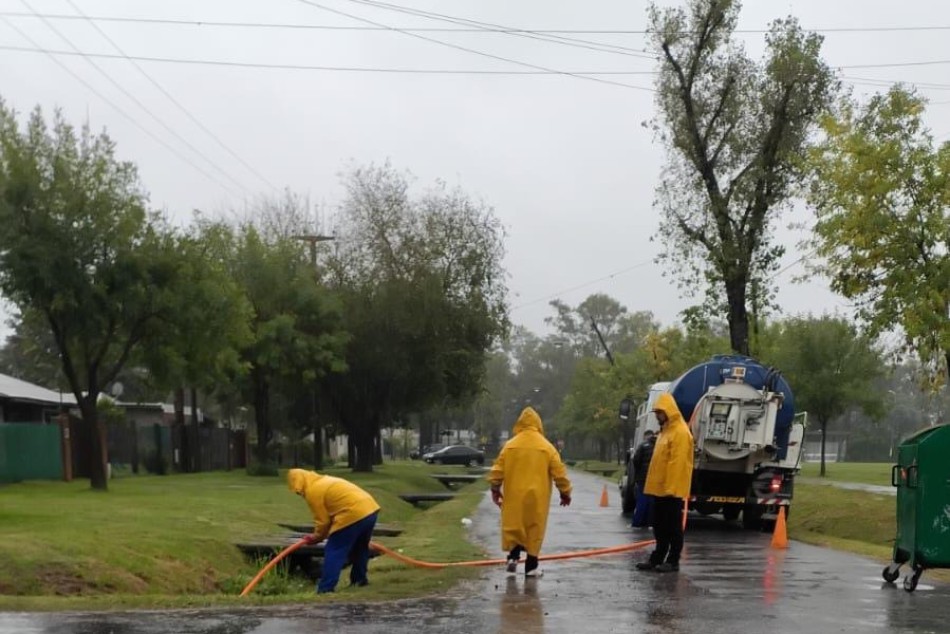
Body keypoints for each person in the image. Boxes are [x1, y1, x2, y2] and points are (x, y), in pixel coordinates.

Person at [489, 406, 572, 578]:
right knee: (534, 529)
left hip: (514, 496)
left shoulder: (510, 446)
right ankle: (531, 567)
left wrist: (495, 488)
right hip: (538, 498)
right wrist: (565, 493)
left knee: (514, 526)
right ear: (538, 424)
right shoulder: (547, 447)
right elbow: (560, 473)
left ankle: (512, 557)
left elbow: (497, 469)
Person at [287, 468, 381, 593]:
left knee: (334, 550)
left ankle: (326, 588)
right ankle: (359, 580)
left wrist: (316, 537)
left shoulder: (313, 491)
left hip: (352, 513)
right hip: (370, 509)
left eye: (298, 491)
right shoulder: (324, 480)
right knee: (360, 547)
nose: (300, 495)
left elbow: (323, 521)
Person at [636, 393, 694, 573]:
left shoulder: (680, 433)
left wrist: (671, 488)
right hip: (660, 489)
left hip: (671, 491)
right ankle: (657, 558)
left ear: (668, 411)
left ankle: (673, 560)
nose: (656, 416)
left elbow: (678, 463)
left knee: (673, 527)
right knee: (660, 525)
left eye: (659, 412)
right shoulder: (665, 432)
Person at [630, 429, 656, 528]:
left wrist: (638, 474)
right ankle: (651, 524)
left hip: (643, 477)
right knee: (652, 501)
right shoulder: (659, 445)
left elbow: (636, 461)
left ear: (645, 436)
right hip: (655, 477)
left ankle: (637, 523)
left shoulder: (642, 446)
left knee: (642, 500)